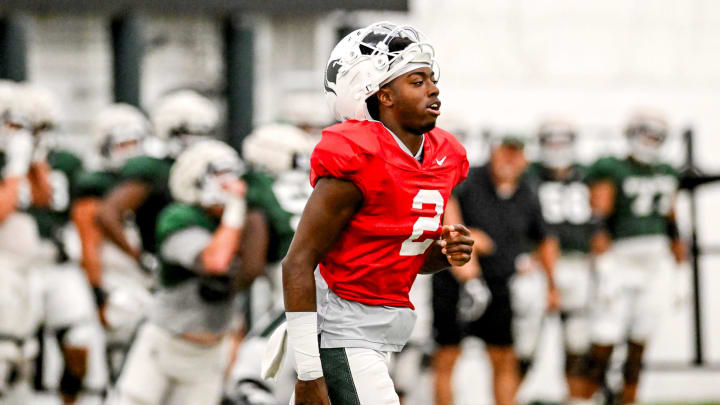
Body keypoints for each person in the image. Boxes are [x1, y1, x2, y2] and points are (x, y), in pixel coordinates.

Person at [279, 22, 474, 405]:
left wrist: (444, 254)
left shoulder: (442, 155)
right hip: (341, 332)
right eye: (416, 81)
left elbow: (401, 257)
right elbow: (297, 262)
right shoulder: (357, 155)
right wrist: (308, 373)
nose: (434, 89)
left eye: (431, 78)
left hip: (374, 331)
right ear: (382, 95)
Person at [110, 140, 266, 405]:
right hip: (165, 342)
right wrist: (236, 209)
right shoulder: (179, 216)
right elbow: (215, 262)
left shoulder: (245, 220)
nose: (231, 184)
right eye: (219, 175)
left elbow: (252, 271)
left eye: (233, 175)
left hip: (210, 352)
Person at [433, 136, 559, 405]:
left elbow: (545, 238)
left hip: (501, 282)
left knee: (504, 356)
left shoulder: (527, 190)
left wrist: (550, 284)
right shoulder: (468, 179)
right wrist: (469, 245)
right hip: (456, 280)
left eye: (516, 155)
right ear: (493, 153)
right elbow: (447, 215)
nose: (509, 161)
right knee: (447, 354)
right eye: (505, 153)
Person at [581, 110, 686, 405]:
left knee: (641, 336)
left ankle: (630, 398)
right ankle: (589, 397)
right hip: (621, 258)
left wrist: (680, 270)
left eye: (656, 135)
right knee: (605, 335)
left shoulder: (666, 171)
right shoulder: (613, 168)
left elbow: (671, 219)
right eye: (645, 133)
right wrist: (602, 263)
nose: (650, 141)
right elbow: (599, 216)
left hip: (655, 260)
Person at [525, 120, 597, 403]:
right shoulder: (528, 175)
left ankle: (577, 399)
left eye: (562, 141)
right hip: (536, 265)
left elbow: (601, 214)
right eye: (550, 142)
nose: (556, 149)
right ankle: (514, 395)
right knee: (525, 341)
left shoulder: (587, 174)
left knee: (578, 339)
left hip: (577, 262)